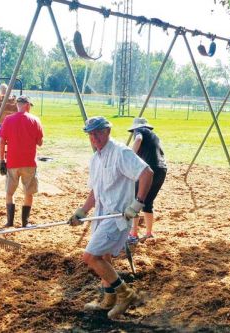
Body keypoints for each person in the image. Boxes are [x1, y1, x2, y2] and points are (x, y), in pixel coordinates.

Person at [68, 116, 153, 319]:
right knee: (104, 257)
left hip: (118, 215)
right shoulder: (95, 157)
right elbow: (96, 190)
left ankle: (125, 294)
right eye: (90, 134)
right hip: (101, 215)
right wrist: (83, 211)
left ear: (107, 131)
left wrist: (137, 203)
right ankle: (109, 299)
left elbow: (147, 173)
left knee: (90, 257)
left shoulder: (120, 152)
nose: (94, 137)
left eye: (98, 132)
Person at [0, 95, 43, 228]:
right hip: (29, 162)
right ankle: (25, 223)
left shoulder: (8, 119)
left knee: (9, 192)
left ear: (17, 105)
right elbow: (40, 142)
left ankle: (10, 222)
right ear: (28, 105)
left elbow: (1, 141)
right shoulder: (35, 120)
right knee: (28, 192)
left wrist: (2, 160)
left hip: (12, 162)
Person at [127, 118, 167, 244]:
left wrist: (130, 156)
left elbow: (138, 139)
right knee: (148, 202)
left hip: (148, 170)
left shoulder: (139, 131)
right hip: (162, 170)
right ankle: (149, 233)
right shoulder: (154, 136)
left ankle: (133, 234)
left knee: (137, 201)